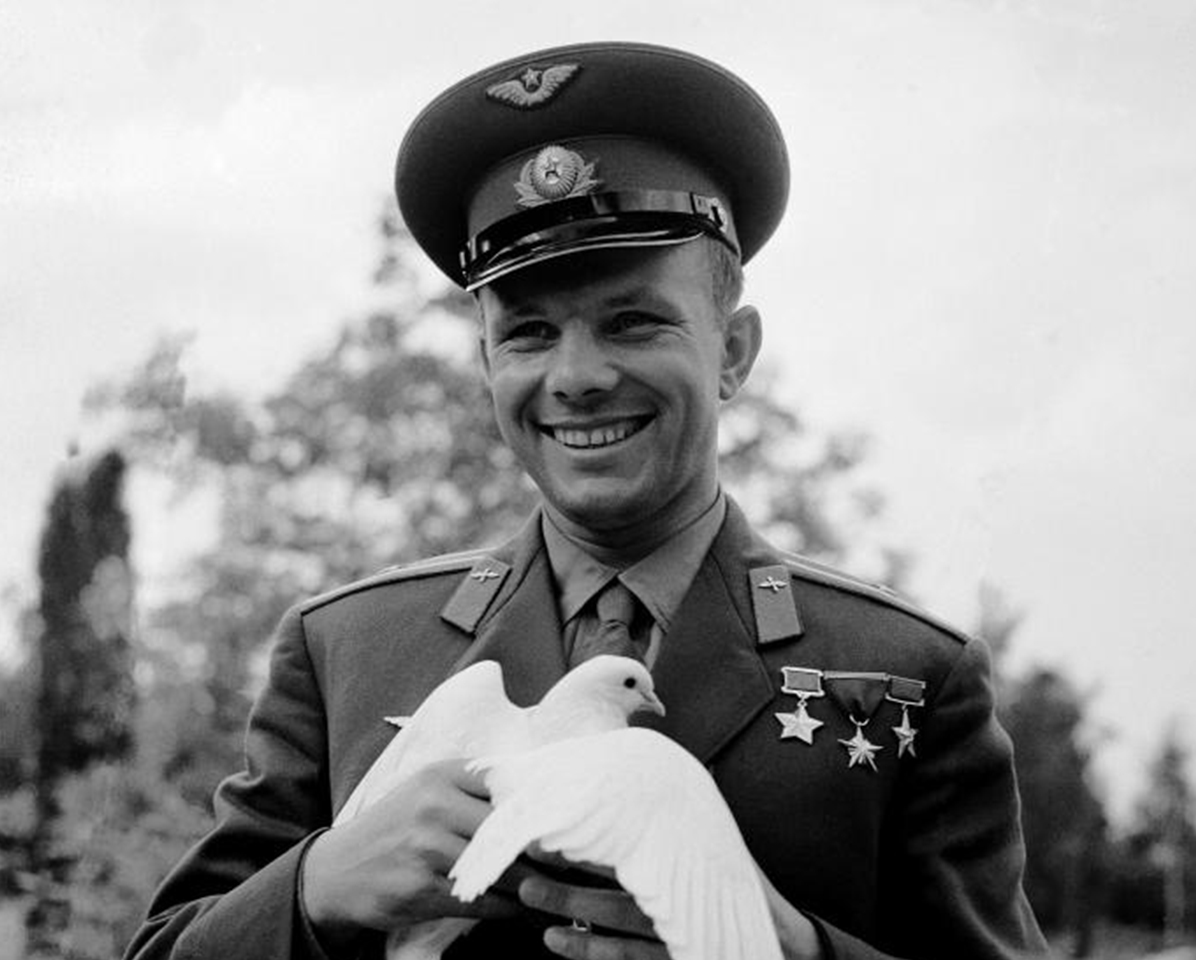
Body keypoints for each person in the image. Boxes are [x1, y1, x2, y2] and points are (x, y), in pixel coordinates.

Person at [126, 41, 1047, 960]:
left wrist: (795, 950)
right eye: (527, 333)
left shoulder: (906, 675)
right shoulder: (346, 650)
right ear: (486, 364)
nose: (577, 377)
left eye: (632, 322)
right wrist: (317, 889)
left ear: (732, 353)